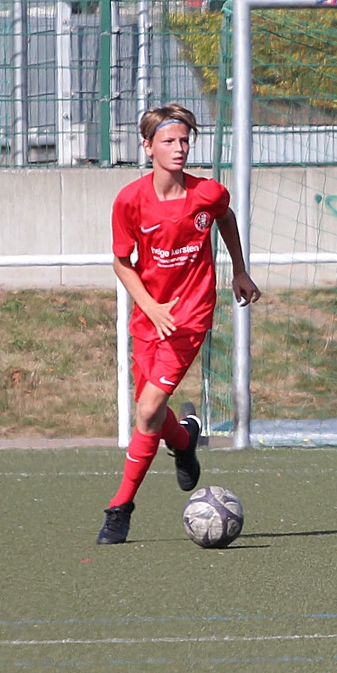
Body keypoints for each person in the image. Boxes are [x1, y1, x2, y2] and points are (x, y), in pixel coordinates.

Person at [98, 103, 261, 545]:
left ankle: (120, 508)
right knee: (147, 414)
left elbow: (225, 218)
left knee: (148, 410)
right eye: (169, 141)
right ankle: (185, 440)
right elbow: (120, 261)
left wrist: (240, 270)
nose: (180, 148)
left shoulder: (207, 193)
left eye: (185, 140)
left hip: (189, 316)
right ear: (148, 147)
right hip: (150, 317)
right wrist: (149, 306)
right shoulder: (130, 201)